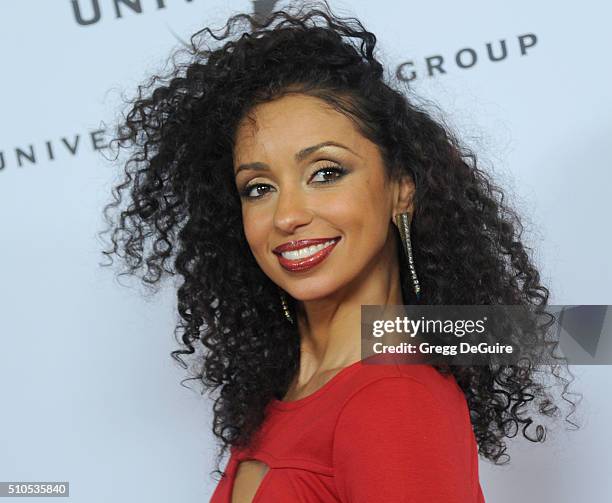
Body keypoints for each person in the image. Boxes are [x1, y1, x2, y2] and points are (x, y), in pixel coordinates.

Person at [99, 1, 579, 501]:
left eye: (326, 173)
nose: (286, 215)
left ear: (401, 187)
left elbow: (581, 336)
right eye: (258, 187)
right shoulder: (291, 391)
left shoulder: (394, 398)